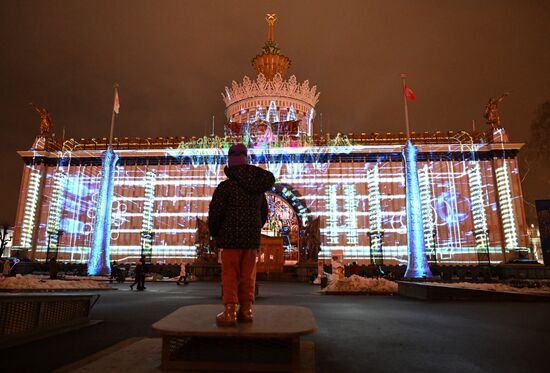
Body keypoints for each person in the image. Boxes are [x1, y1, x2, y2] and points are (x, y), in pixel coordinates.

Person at [208, 143, 275, 327]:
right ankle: (246, 310)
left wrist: (215, 232)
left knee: (230, 274)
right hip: (251, 240)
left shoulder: (225, 187)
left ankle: (230, 311)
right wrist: (253, 229)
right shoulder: (257, 189)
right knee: (248, 274)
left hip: (230, 240)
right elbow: (264, 213)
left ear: (230, 163)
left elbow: (215, 213)